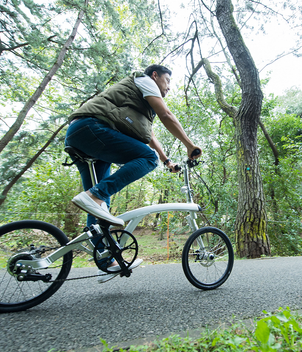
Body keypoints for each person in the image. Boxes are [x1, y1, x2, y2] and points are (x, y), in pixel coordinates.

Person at [65, 64, 201, 283]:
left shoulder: (140, 107)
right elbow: (166, 114)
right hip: (93, 128)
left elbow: (149, 137)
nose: (168, 87)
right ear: (155, 76)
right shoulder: (144, 80)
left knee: (100, 204)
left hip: (83, 137)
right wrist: (189, 145)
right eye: (167, 81)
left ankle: (105, 260)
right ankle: (94, 196)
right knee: (146, 160)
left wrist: (167, 162)